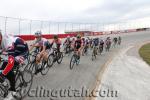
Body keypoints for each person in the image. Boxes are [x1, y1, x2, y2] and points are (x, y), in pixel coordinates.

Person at [0, 31, 29, 99]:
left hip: (22, 52)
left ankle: (13, 91)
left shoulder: (8, 43)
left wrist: (2, 73)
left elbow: (10, 63)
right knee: (2, 69)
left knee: (9, 71)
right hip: (12, 50)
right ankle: (5, 83)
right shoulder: (2, 40)